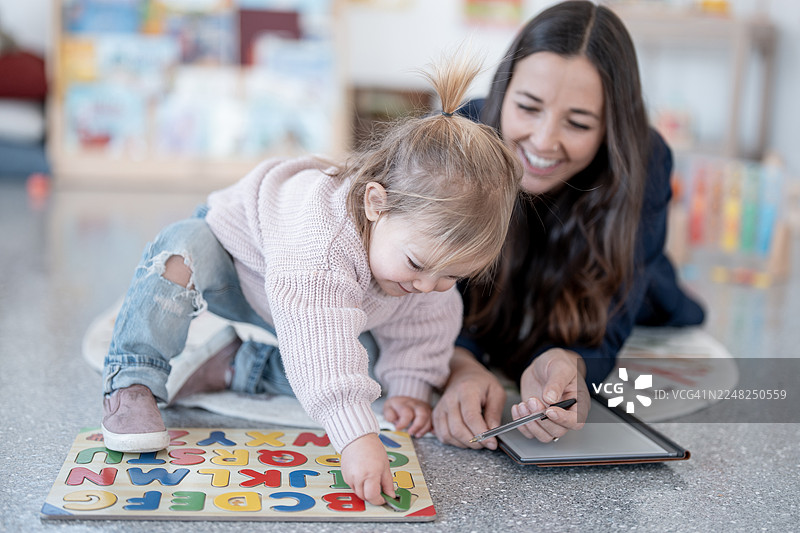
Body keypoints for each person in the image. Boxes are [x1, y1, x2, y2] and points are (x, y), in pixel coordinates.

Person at [100, 52, 521, 506]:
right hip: (238, 268)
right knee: (180, 250)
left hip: (306, 303)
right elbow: (319, 339)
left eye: (452, 275)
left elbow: (425, 329)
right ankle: (132, 381)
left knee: (369, 365)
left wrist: (410, 389)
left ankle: (237, 364)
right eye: (419, 266)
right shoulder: (325, 233)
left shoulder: (423, 268)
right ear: (376, 205)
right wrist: (357, 438)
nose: (429, 285)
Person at [432, 0, 705, 450]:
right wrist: (460, 364)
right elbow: (431, 291)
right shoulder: (462, 134)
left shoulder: (645, 160)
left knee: (669, 304)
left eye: (577, 122)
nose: (542, 141)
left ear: (610, 129)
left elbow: (609, 324)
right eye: (527, 107)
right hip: (505, 286)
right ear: (504, 91)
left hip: (624, 270)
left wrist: (571, 361)